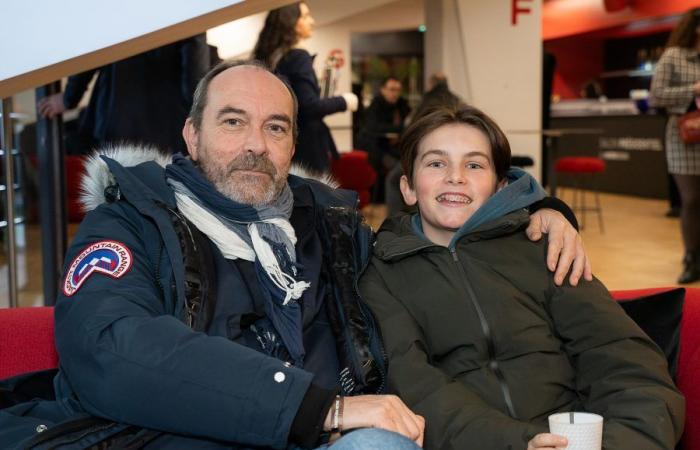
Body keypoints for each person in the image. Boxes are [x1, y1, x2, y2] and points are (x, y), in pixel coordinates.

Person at [0, 61, 586, 449]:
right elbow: (110, 346)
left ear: (291, 145)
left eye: (276, 128)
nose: (256, 144)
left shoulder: (331, 225)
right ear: (191, 135)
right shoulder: (131, 220)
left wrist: (533, 209)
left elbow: (434, 230)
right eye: (233, 122)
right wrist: (319, 408)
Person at [360, 105, 685, 450]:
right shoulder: (381, 273)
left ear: (500, 187)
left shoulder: (543, 246)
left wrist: (622, 443)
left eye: (474, 164)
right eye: (436, 163)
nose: (455, 176)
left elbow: (620, 356)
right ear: (408, 188)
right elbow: (418, 388)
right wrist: (522, 444)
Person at [37, 35, 210, 155]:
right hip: (170, 131)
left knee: (116, 199)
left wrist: (69, 98)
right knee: (166, 203)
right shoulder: (187, 7)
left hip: (116, 121)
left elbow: (93, 48)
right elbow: (194, 82)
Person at [253, 2, 357, 173]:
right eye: (306, 16)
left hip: (278, 138)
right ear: (292, 21)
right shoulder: (298, 57)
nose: (312, 21)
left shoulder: (270, 58)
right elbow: (309, 107)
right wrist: (344, 101)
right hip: (307, 146)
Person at [650, 7, 700, 284]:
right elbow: (656, 96)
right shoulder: (673, 56)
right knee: (691, 200)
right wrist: (693, 90)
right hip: (684, 136)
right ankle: (691, 257)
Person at [357, 77, 411, 213]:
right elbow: (375, 127)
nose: (395, 94)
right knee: (399, 170)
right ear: (383, 90)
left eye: (398, 90)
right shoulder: (375, 106)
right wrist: (399, 129)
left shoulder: (402, 106)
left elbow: (409, 125)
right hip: (378, 150)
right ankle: (396, 212)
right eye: (392, 90)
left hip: (397, 149)